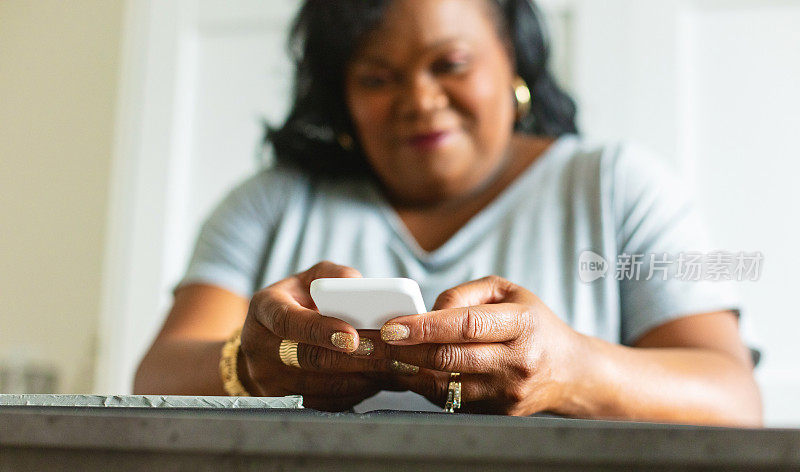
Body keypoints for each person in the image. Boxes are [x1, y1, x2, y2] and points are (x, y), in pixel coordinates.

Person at [133, 0, 762, 425]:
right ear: (342, 96)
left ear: (513, 60)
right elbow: (156, 377)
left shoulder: (620, 186)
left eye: (450, 65)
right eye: (378, 78)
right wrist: (252, 367)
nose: (421, 100)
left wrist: (567, 369)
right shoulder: (270, 203)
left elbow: (733, 397)